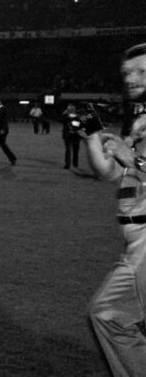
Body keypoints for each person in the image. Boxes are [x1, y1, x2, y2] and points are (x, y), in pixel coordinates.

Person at [84, 42, 146, 377]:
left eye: (142, 71)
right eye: (127, 73)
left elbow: (132, 163)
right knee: (111, 315)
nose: (132, 78)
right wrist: (93, 136)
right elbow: (108, 172)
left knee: (109, 313)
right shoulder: (139, 121)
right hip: (135, 240)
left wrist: (134, 158)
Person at [61, 103, 81, 169]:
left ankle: (71, 163)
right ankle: (71, 164)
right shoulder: (74, 117)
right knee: (71, 150)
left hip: (73, 135)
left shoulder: (76, 117)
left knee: (72, 150)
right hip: (71, 135)